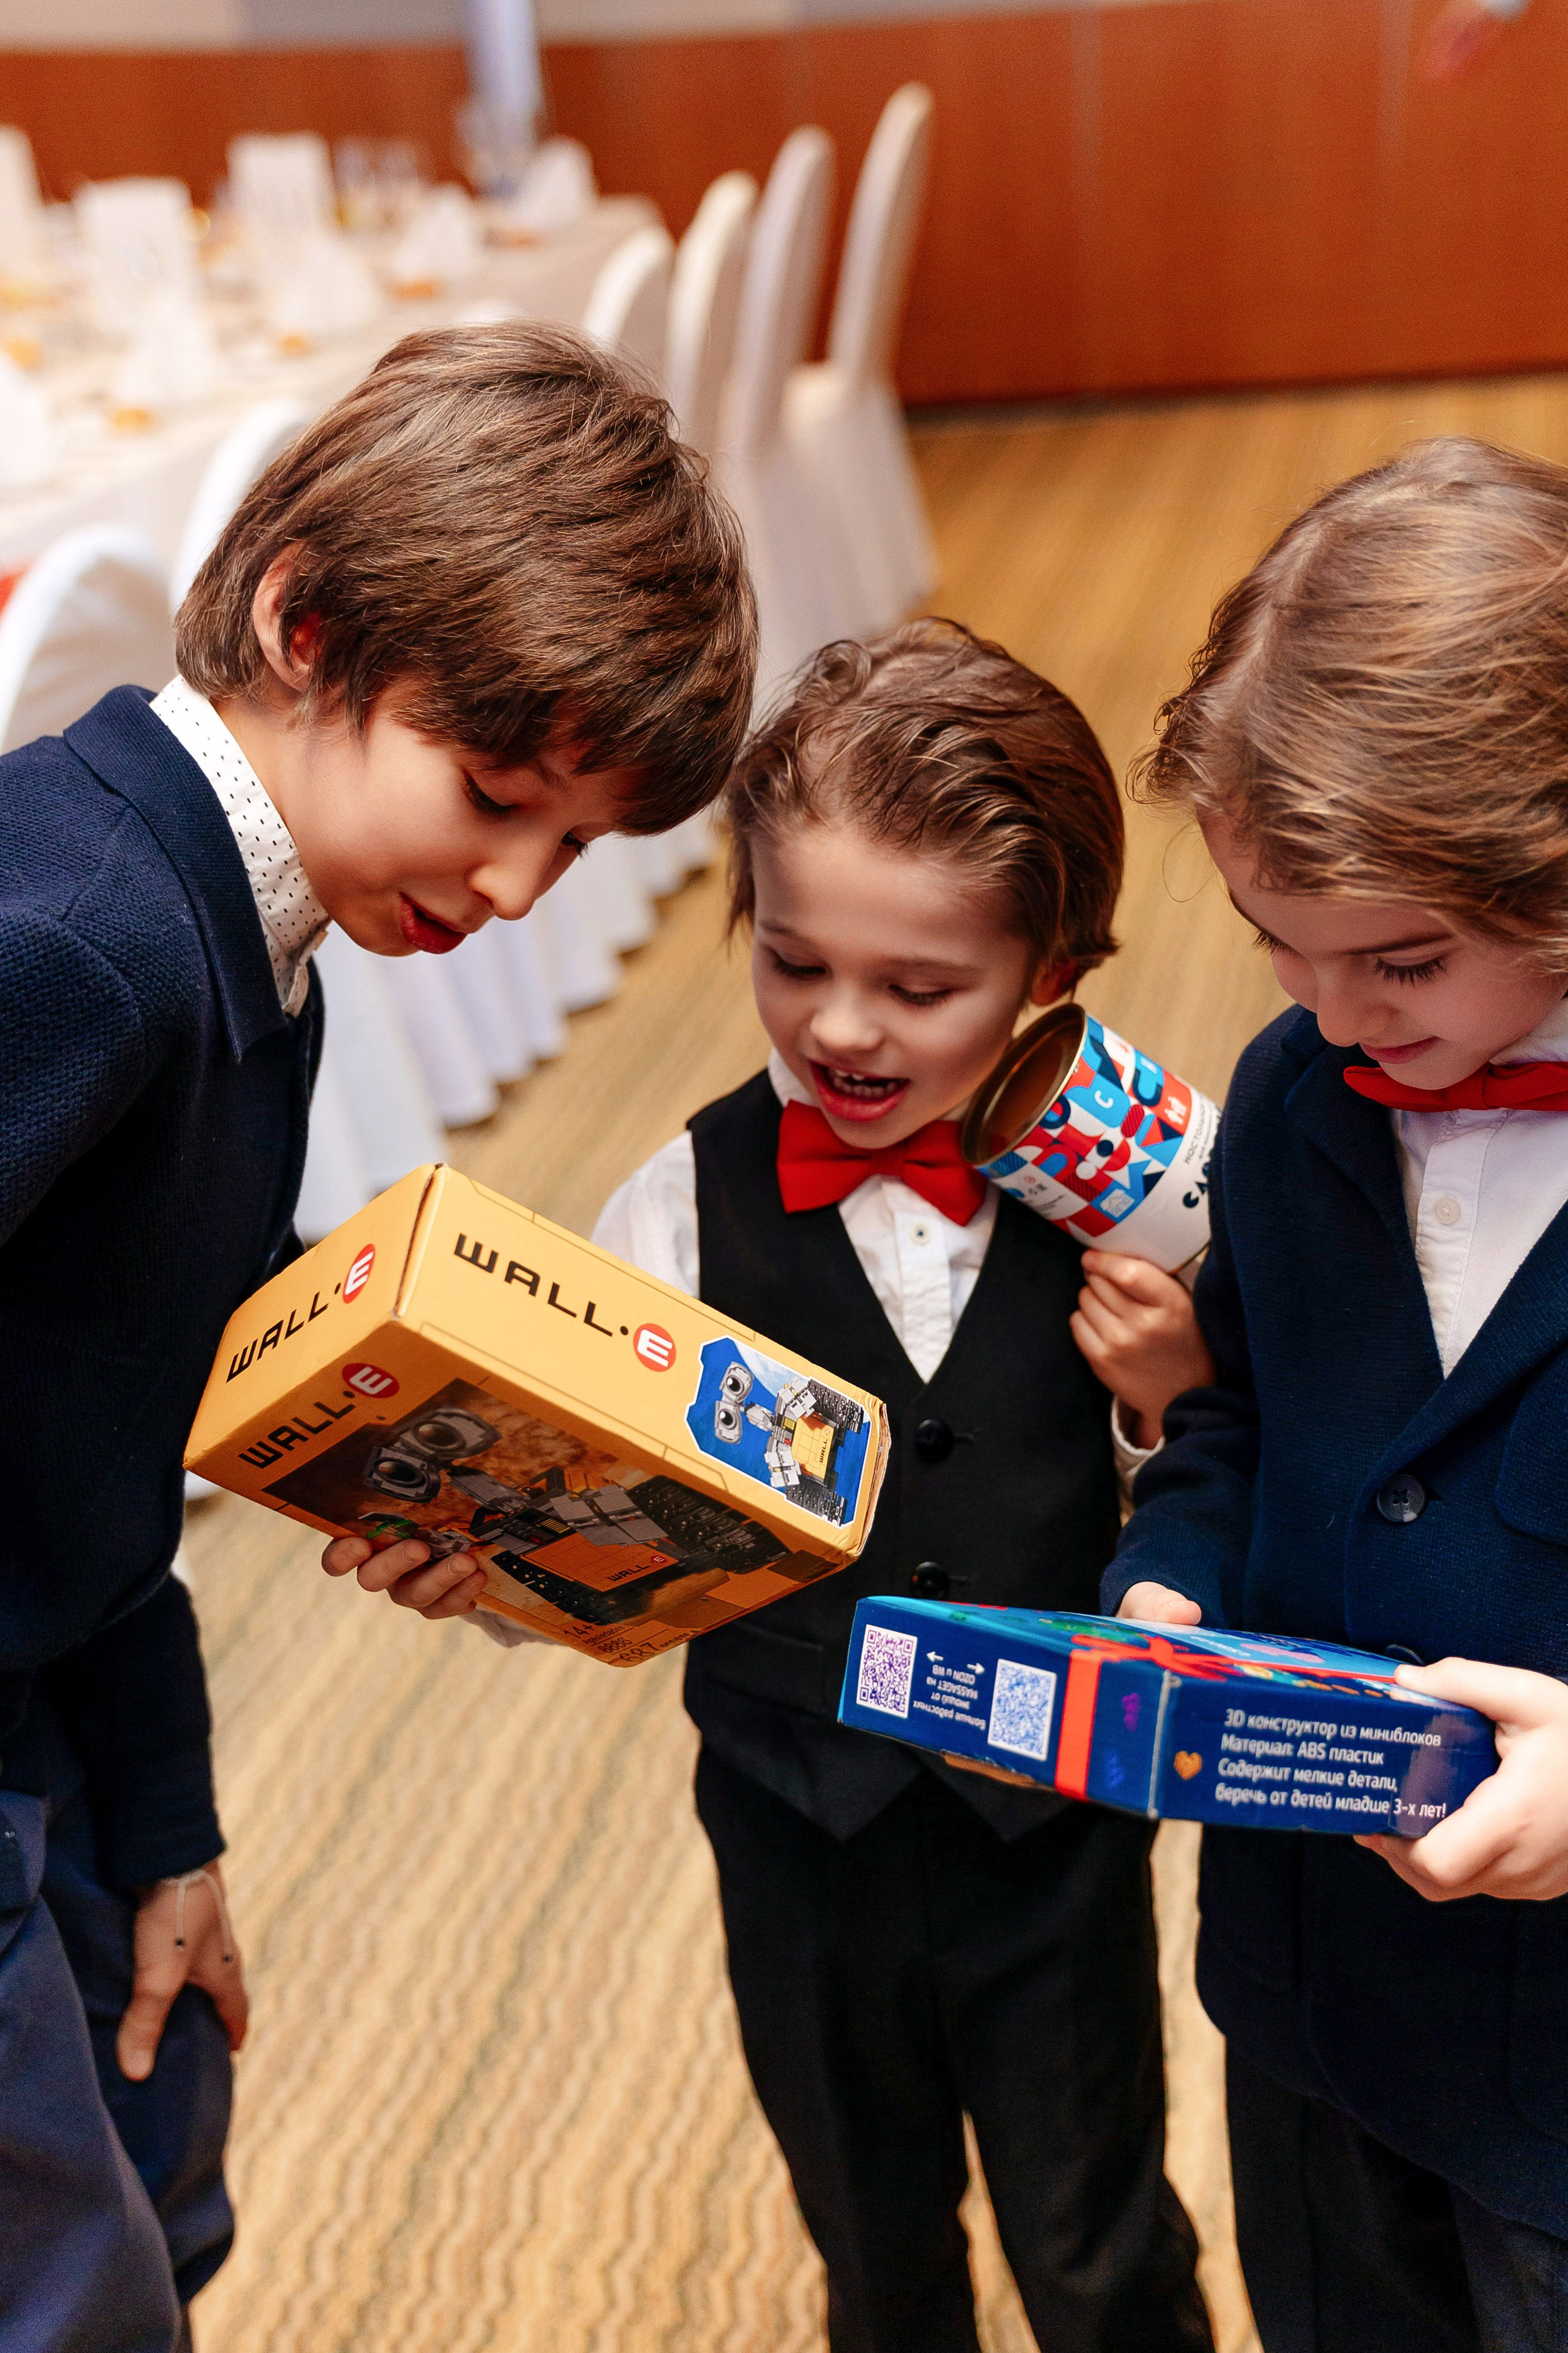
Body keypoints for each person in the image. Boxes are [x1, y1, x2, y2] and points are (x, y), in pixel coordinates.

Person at [0, 319, 754, 2352]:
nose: (516, 882)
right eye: (494, 789)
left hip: (60, 1687)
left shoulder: (259, 948)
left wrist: (161, 1821)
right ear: (302, 622)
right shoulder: (78, 934)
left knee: (165, 2159)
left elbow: (95, 1436)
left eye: (577, 845)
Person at [335, 619, 1216, 2352]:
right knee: (869, 2227)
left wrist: (1164, 1401)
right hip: (793, 1815)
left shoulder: (1130, 1197)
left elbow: (1201, 1500)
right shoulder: (679, 1203)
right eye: (797, 961)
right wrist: (495, 1569)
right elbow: (597, 1492)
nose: (845, 1029)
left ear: (1056, 966)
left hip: (1053, 1823)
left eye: (920, 986)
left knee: (1095, 2223)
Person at [1108, 436, 1568, 2353]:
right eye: (1277, 945)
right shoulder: (1302, 1095)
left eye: (1399, 956)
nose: (1333, 1009)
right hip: (1310, 1983)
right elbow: (1246, 1417)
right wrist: (1173, 1578)